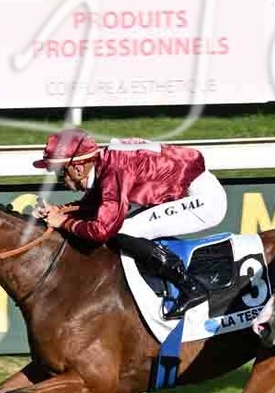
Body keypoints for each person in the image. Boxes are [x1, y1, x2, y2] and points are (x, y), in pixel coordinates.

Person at [32, 128, 228, 320]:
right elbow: (99, 204)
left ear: (77, 169)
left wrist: (64, 221)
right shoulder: (107, 163)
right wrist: (60, 211)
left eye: (60, 173)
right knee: (123, 226)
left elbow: (102, 230)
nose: (61, 180)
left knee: (125, 230)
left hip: (205, 201)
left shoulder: (115, 169)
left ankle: (190, 287)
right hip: (187, 188)